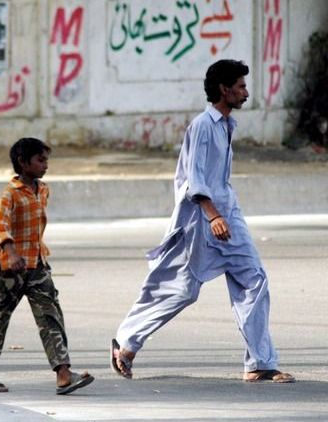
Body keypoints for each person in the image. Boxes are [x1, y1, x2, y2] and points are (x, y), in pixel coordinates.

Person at [111, 59, 295, 384]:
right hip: (203, 220)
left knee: (254, 279)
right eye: (240, 86)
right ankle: (127, 343)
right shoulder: (202, 126)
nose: (245, 92)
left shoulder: (226, 125)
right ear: (224, 90)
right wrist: (213, 216)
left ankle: (259, 362)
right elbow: (194, 179)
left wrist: (224, 215)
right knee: (184, 290)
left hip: (227, 215)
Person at [0, 138, 94, 395]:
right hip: (12, 268)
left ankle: (63, 373)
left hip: (38, 265)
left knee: (50, 316)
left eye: (46, 160)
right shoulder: (11, 193)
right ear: (23, 162)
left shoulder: (43, 189)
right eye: (40, 160)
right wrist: (11, 252)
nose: (45, 165)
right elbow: (1, 225)